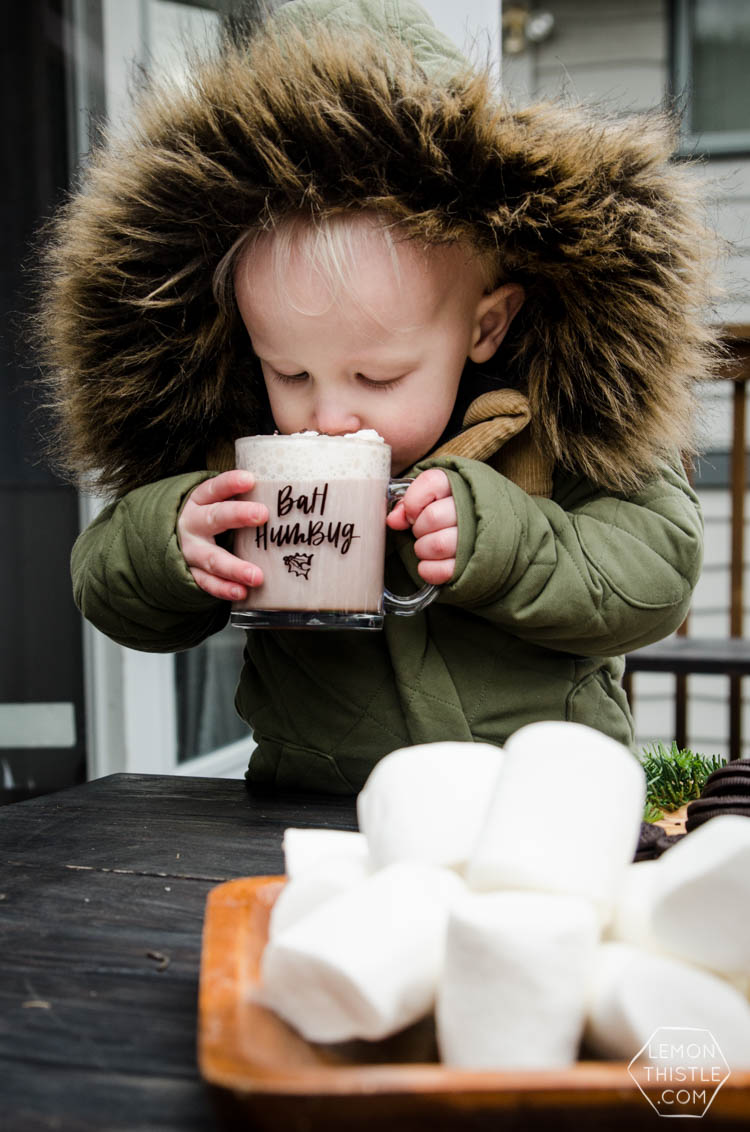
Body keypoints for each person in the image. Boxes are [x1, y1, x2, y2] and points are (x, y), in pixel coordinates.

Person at [36, 0, 718, 794]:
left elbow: (657, 574)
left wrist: (503, 544)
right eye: (290, 373)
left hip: (536, 801)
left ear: (486, 326)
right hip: (312, 806)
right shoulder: (239, 442)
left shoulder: (562, 420)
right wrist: (174, 543)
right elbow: (106, 582)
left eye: (378, 377)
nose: (328, 418)